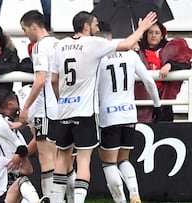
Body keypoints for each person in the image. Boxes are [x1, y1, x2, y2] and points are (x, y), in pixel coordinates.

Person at [51, 11, 157, 203]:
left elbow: (53, 80)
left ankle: (57, 200)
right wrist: (141, 28)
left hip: (64, 110)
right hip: (87, 112)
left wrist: (62, 100)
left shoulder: (59, 45)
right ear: (86, 26)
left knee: (62, 157)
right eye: (95, 24)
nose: (97, 28)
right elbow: (125, 46)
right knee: (84, 160)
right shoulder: (93, 43)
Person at [96, 21, 161, 203]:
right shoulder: (131, 55)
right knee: (124, 160)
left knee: (109, 162)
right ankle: (134, 193)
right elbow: (148, 81)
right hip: (129, 113)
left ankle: (121, 201)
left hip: (108, 115)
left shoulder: (98, 57)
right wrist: (157, 105)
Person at [19, 10, 59, 199]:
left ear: (33, 26)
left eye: (25, 29)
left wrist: (26, 107)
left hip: (45, 108)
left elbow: (41, 79)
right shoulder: (58, 44)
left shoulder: (39, 46)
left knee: (46, 158)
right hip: (62, 108)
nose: (25, 34)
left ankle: (51, 197)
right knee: (62, 158)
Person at [135, 21, 192, 122]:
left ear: (162, 36)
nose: (153, 35)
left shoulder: (170, 49)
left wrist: (170, 65)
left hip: (164, 101)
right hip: (142, 102)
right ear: (146, 34)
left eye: (157, 33)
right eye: (150, 32)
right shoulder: (136, 50)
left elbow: (186, 64)